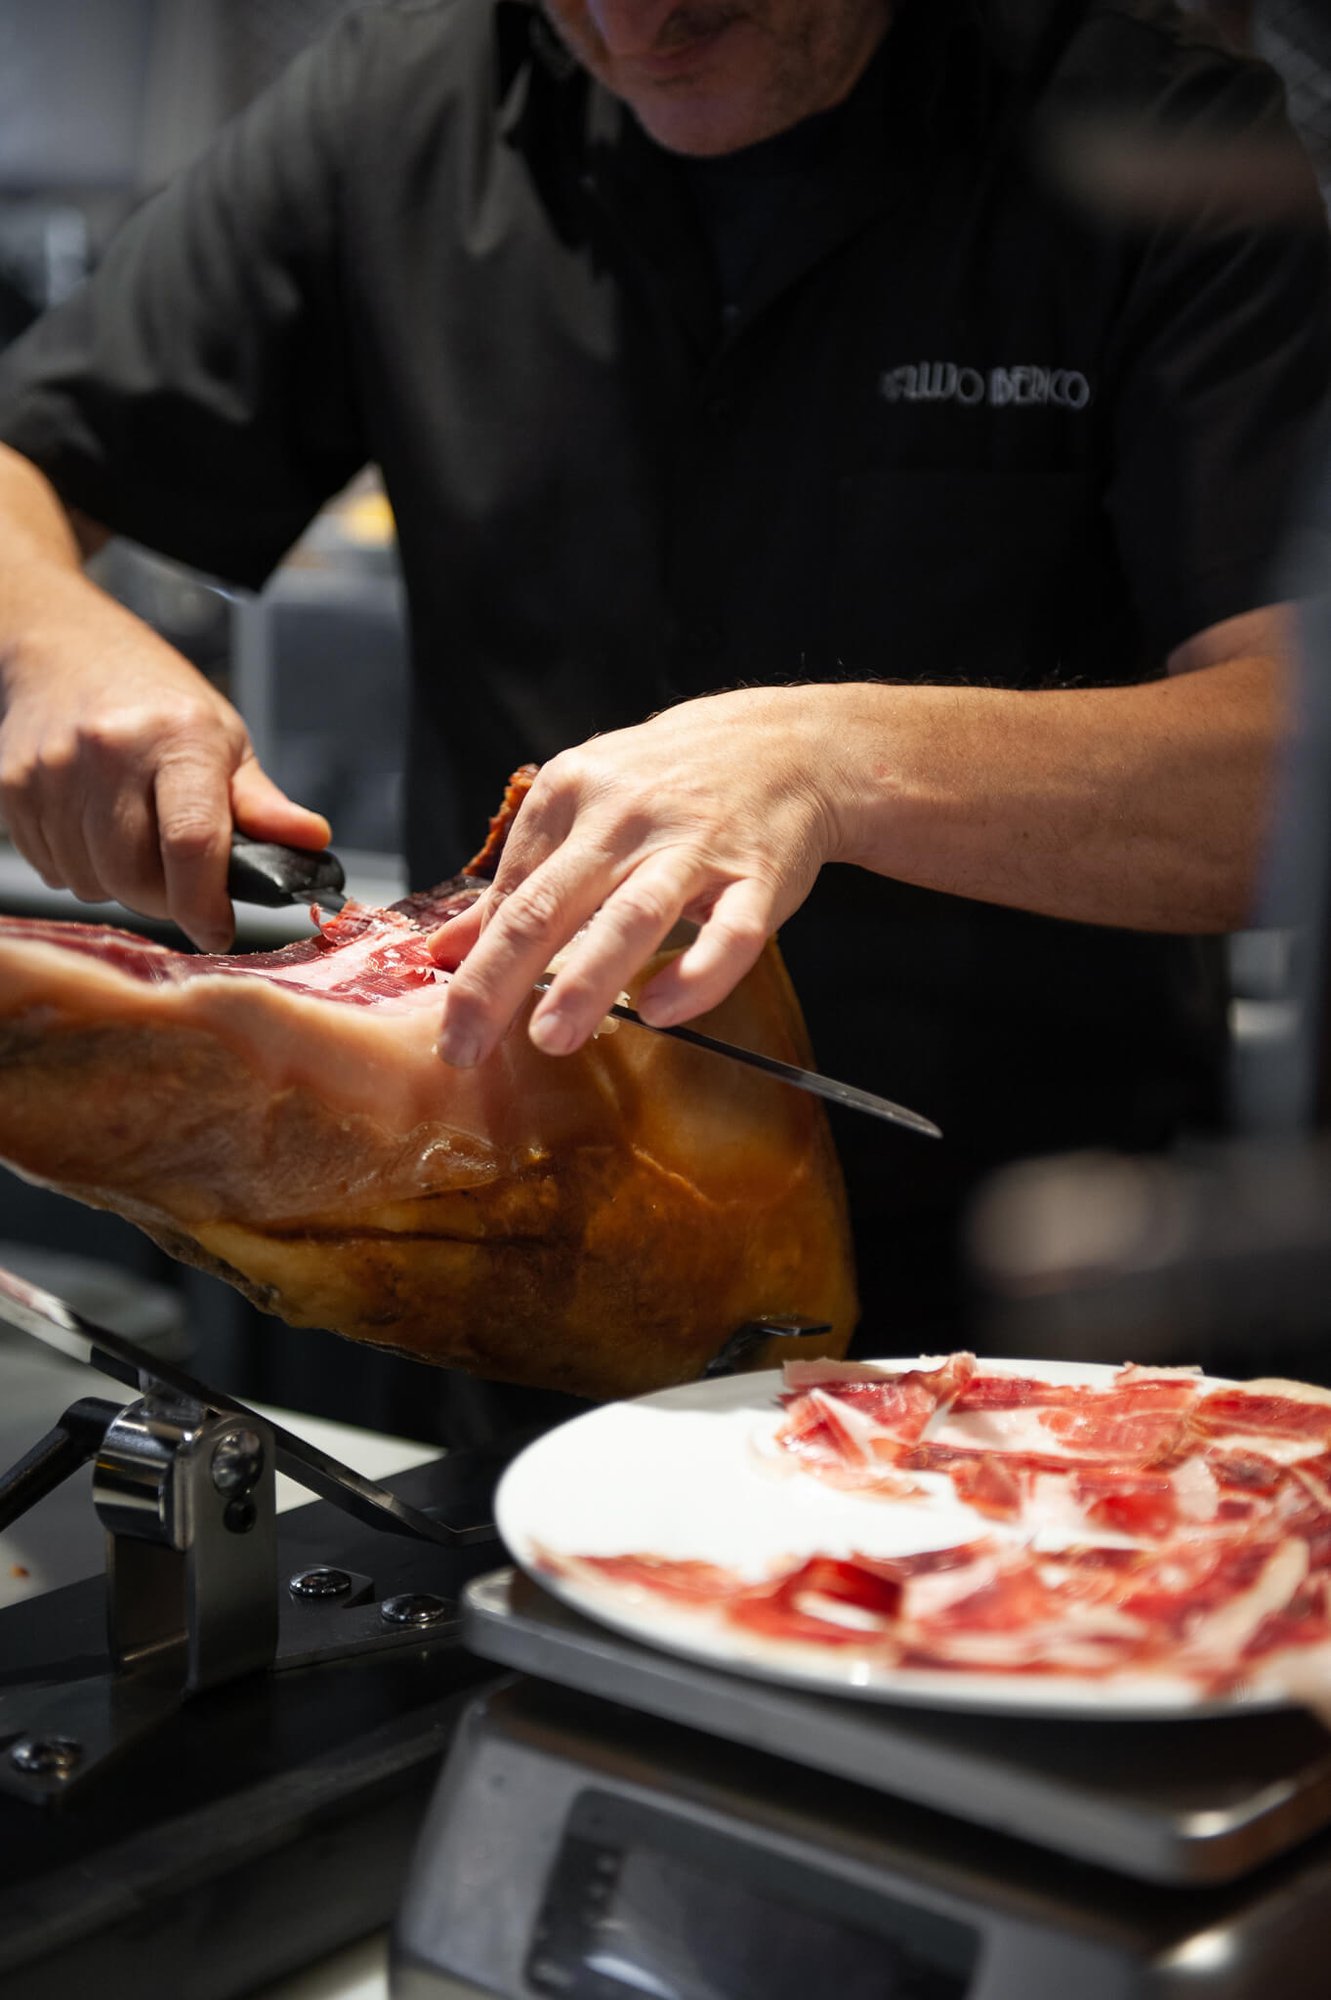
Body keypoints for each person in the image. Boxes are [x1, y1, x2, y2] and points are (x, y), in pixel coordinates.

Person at [0, 0, 1328, 1405]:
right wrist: (51, 648)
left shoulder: (1157, 141)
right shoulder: (403, 109)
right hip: (520, 1266)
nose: (629, 20)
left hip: (1040, 1319)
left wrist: (833, 758)